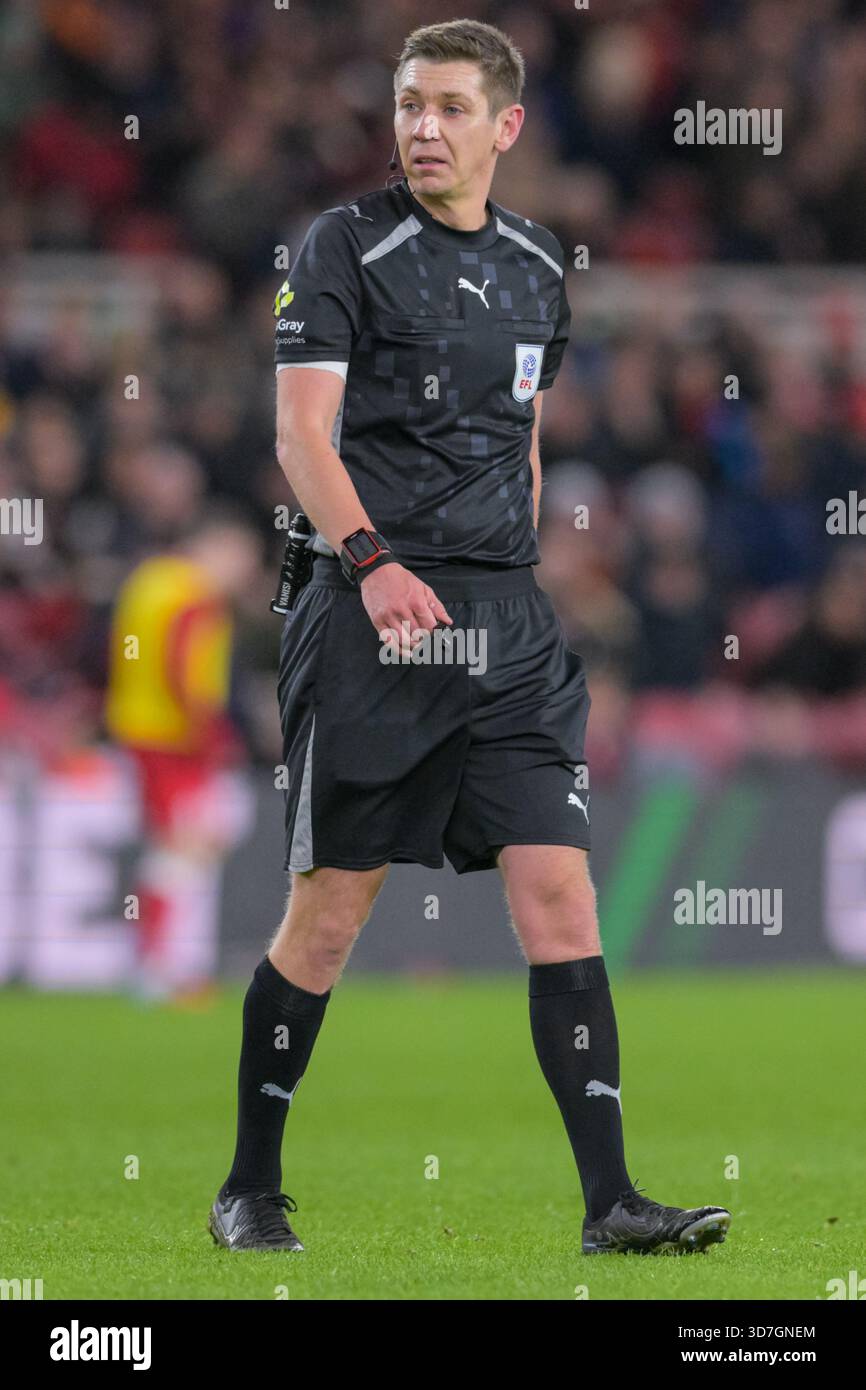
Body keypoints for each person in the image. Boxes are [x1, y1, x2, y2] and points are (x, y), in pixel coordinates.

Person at [209, 19, 731, 1256]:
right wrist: (372, 562)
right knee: (331, 909)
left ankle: (609, 1202)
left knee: (559, 893)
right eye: (406, 105)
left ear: (504, 127)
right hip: (369, 608)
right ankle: (249, 1185)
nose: (421, 130)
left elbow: (525, 434)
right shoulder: (341, 247)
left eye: (447, 107)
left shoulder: (540, 265)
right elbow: (301, 438)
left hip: (503, 622)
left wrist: (527, 574)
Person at [105, 506, 260, 1000]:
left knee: (171, 848)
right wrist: (213, 737)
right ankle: (159, 970)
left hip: (138, 730)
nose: (245, 571)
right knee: (186, 850)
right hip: (177, 739)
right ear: (217, 546)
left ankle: (154, 964)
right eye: (243, 557)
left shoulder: (149, 579)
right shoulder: (196, 594)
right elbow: (183, 668)